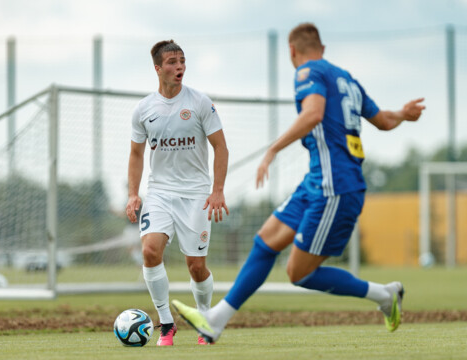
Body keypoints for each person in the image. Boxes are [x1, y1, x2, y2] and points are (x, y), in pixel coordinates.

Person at [172, 23, 425, 343]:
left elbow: (313, 114)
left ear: (292, 50)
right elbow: (385, 121)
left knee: (299, 273)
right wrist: (403, 113)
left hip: (335, 186)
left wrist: (273, 149)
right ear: (323, 47)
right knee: (265, 241)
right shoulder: (345, 78)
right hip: (318, 182)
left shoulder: (307, 72)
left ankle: (385, 295)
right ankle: (216, 320)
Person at [125, 39, 229, 346]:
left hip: (196, 195)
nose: (179, 66)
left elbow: (220, 147)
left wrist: (217, 190)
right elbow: (135, 154)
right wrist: (134, 194)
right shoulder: (143, 109)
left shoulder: (199, 103)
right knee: (149, 251)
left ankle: (205, 319)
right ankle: (166, 324)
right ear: (158, 69)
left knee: (196, 267)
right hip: (158, 193)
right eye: (171, 62)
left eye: (182, 60)